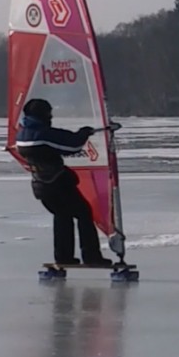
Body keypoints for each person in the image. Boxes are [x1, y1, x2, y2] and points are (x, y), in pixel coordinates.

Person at [15, 98, 112, 265]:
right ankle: (92, 257)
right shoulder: (41, 134)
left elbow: (57, 137)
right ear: (43, 114)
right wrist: (83, 134)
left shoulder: (22, 134)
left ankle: (64, 257)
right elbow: (72, 146)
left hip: (40, 186)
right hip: (57, 184)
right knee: (83, 213)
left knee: (62, 216)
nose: (51, 117)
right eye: (49, 113)